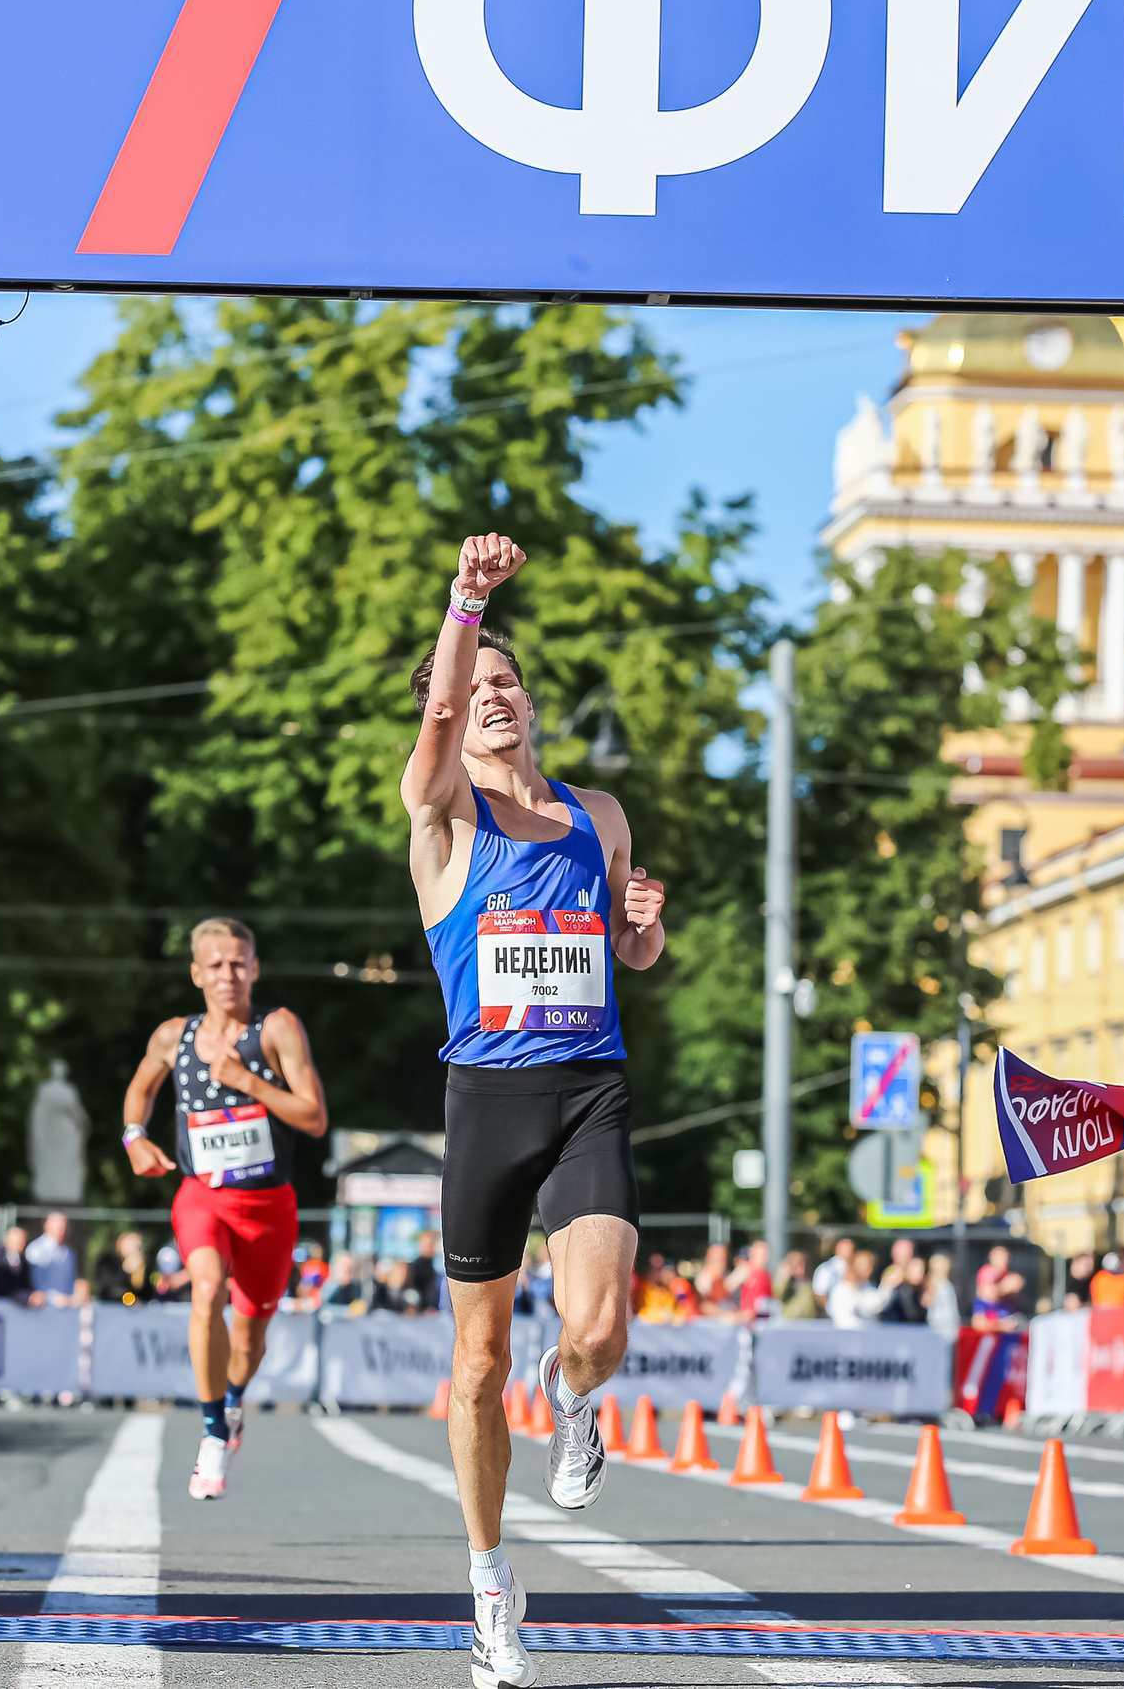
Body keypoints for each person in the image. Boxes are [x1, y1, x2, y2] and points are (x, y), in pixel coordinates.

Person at [402, 533, 670, 1689]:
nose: (493, 698)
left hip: (588, 1090)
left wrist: (646, 923)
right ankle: (491, 1587)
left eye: (509, 682)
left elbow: (633, 952)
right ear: (453, 718)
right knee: (472, 1367)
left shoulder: (597, 815)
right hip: (487, 1101)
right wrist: (467, 603)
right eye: (475, 690)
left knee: (598, 1328)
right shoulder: (442, 816)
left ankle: (573, 1395)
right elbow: (433, 731)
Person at [121, 917, 330, 1499]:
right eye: (215, 965)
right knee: (206, 1290)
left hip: (269, 1205)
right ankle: (213, 1431)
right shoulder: (174, 1036)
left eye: (238, 963)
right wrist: (134, 1137)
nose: (227, 975)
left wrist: (247, 1081)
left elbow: (313, 1117)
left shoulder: (276, 1028)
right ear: (196, 974)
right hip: (202, 1197)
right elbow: (140, 1088)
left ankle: (233, 1399)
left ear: (255, 968)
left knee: (249, 1338)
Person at [28, 1212, 84, 1308]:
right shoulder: (36, 1250)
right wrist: (52, 1297)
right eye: (58, 1227)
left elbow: (69, 1282)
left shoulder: (69, 1253)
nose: (61, 1231)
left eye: (63, 1227)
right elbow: (35, 1283)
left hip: (65, 1307)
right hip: (42, 1308)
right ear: (47, 1226)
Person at [93, 1230, 156, 1306]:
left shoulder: (144, 1268)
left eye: (137, 1245)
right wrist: (125, 1270)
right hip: (110, 1308)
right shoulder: (108, 1261)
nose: (134, 1248)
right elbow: (108, 1289)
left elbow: (145, 1295)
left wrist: (138, 1273)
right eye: (131, 1243)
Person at [0, 1225, 41, 1305]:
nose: (20, 1243)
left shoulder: (25, 1263)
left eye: (22, 1240)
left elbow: (26, 1285)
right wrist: (23, 1298)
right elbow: (0, 1286)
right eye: (17, 1240)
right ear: (8, 1239)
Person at [405, 1227, 443, 1314]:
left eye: (432, 1244)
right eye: (427, 1244)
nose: (430, 1247)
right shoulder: (414, 1268)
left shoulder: (436, 1265)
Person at [922, 1253, 961, 1336]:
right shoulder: (930, 1282)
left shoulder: (948, 1285)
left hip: (949, 1323)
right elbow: (926, 1302)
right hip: (936, 1324)